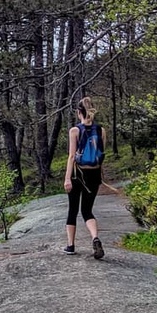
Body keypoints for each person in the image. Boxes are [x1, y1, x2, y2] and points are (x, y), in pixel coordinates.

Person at [63, 97, 106, 259]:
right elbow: (101, 155)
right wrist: (101, 175)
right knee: (87, 211)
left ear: (79, 112)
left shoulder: (75, 130)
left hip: (77, 174)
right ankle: (95, 238)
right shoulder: (101, 130)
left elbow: (72, 156)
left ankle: (70, 246)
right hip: (94, 174)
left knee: (72, 210)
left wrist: (67, 178)